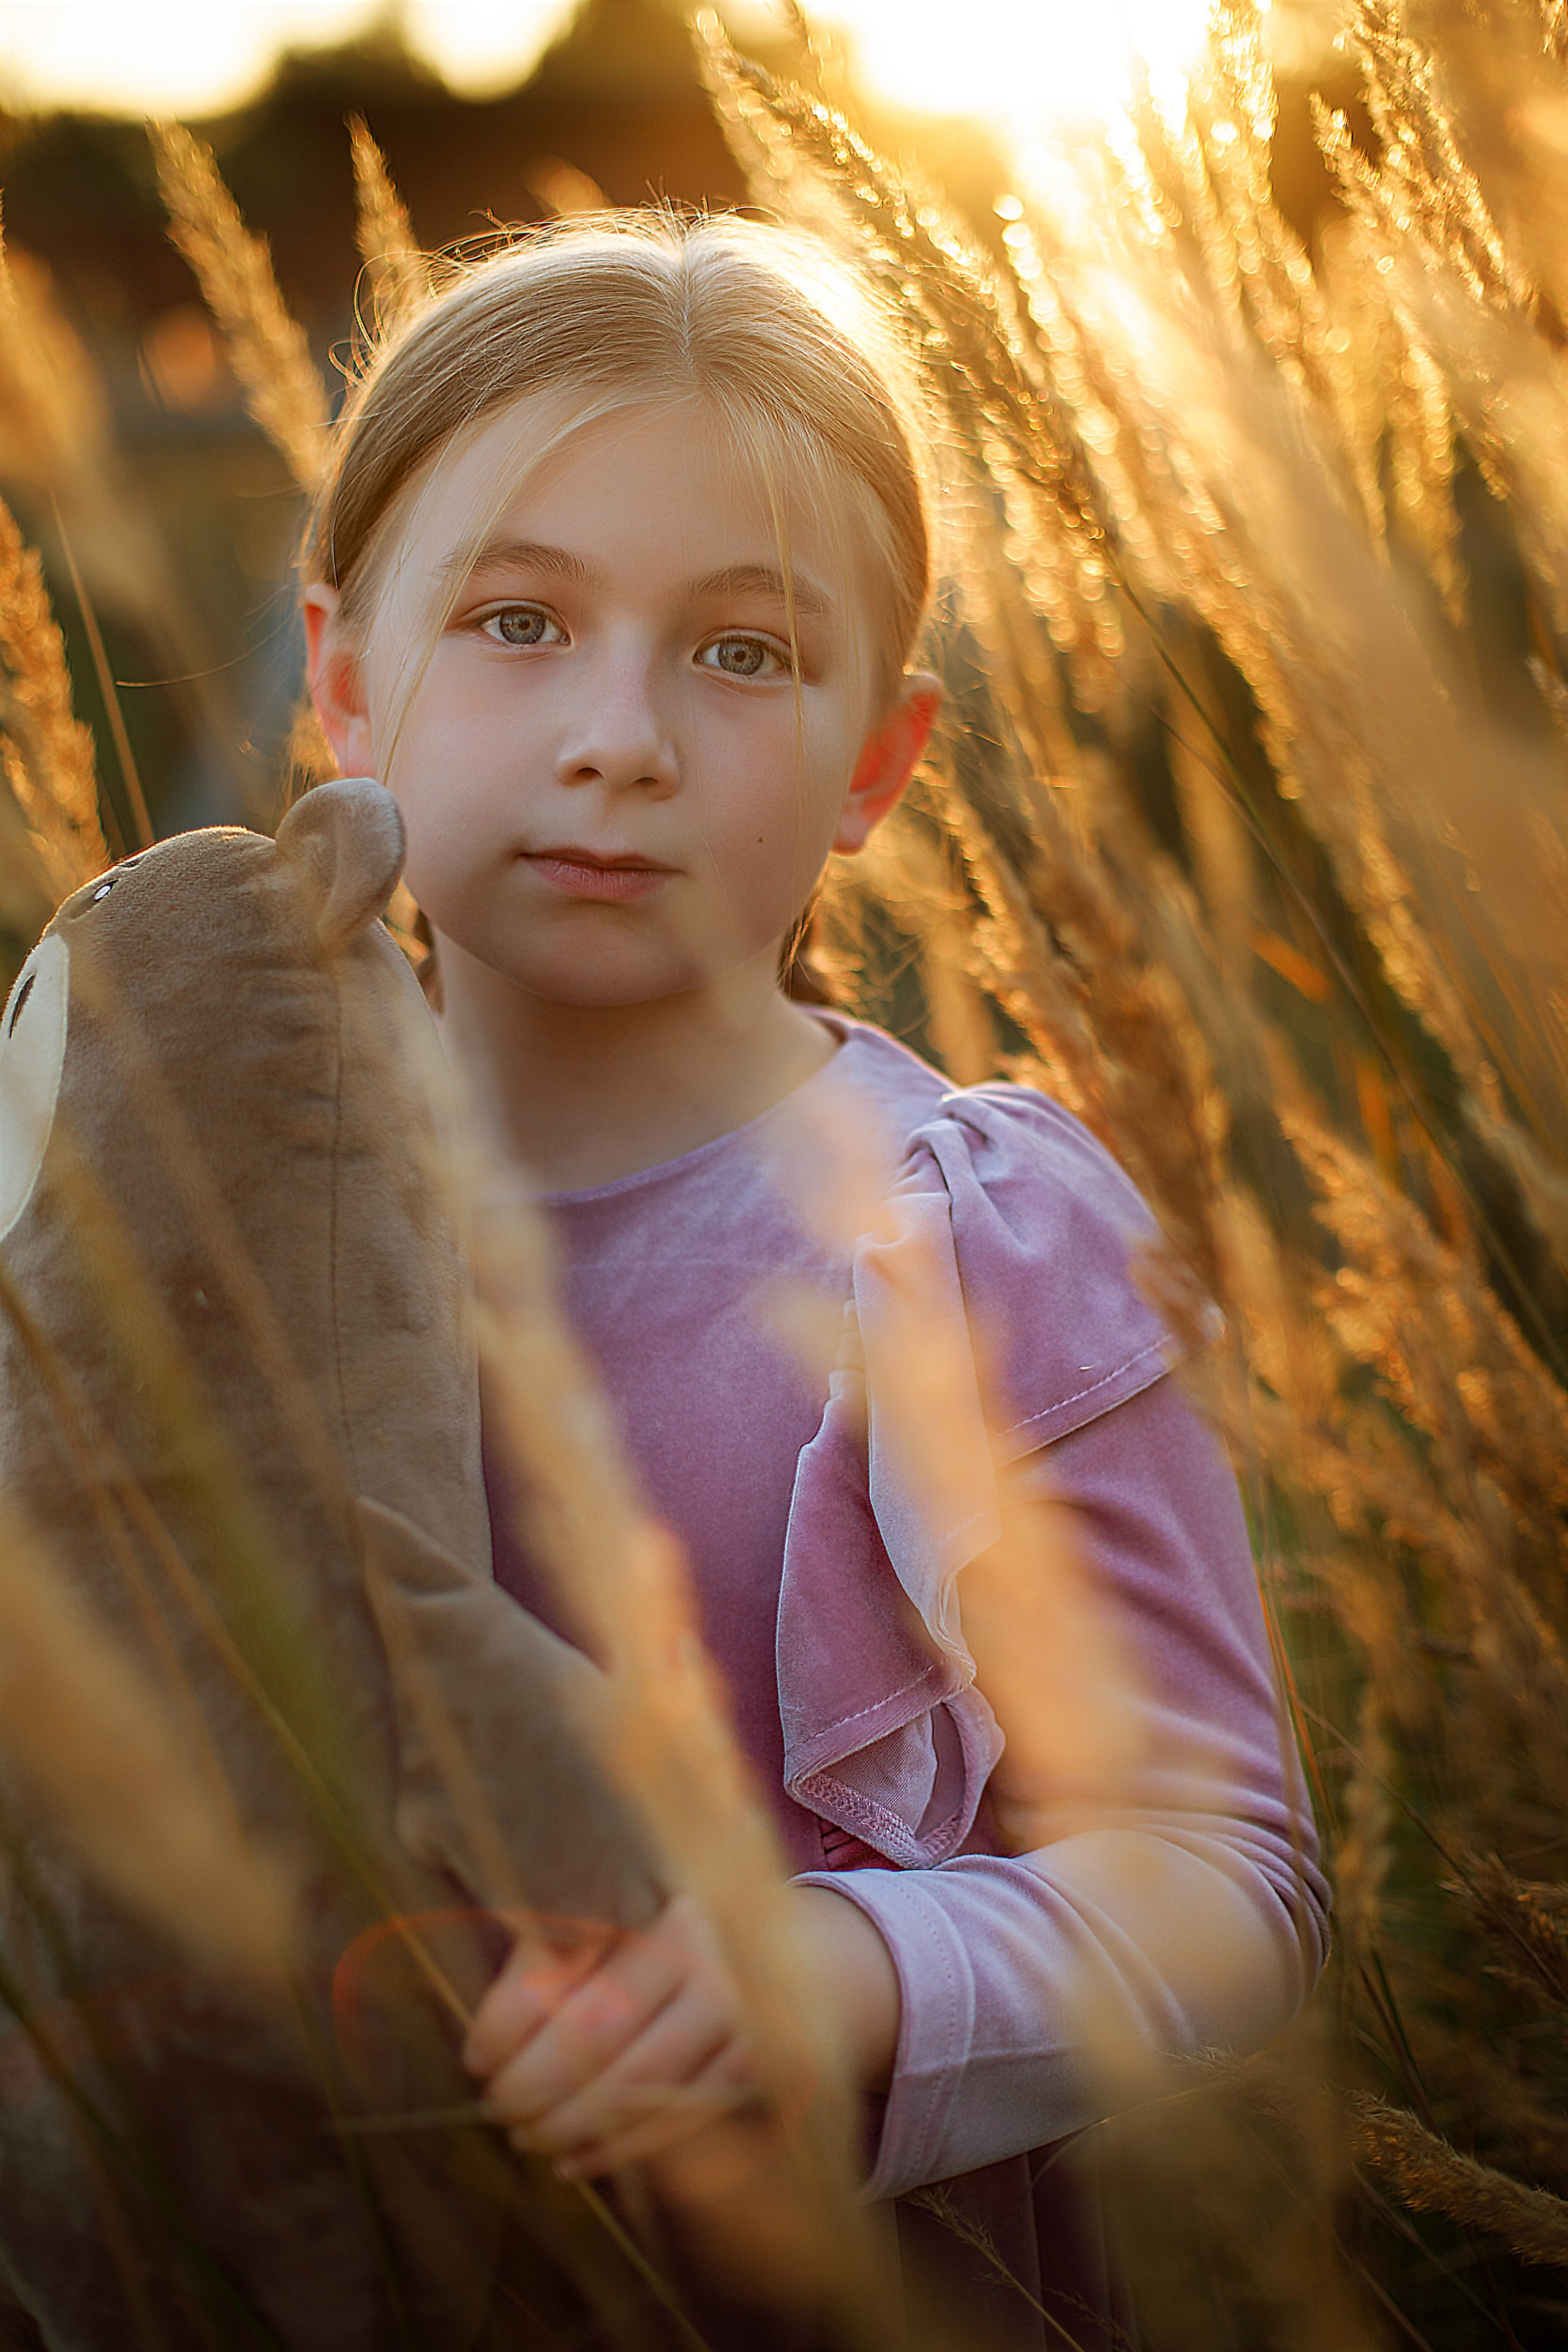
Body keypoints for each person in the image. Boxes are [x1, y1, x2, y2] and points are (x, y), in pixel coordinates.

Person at [302, 211, 1329, 2345]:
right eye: (514, 619)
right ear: (338, 680)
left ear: (879, 760)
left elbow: (1229, 1887)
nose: (621, 736)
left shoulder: (960, 1242)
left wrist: (840, 1973)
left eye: (743, 651)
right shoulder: (201, 1222)